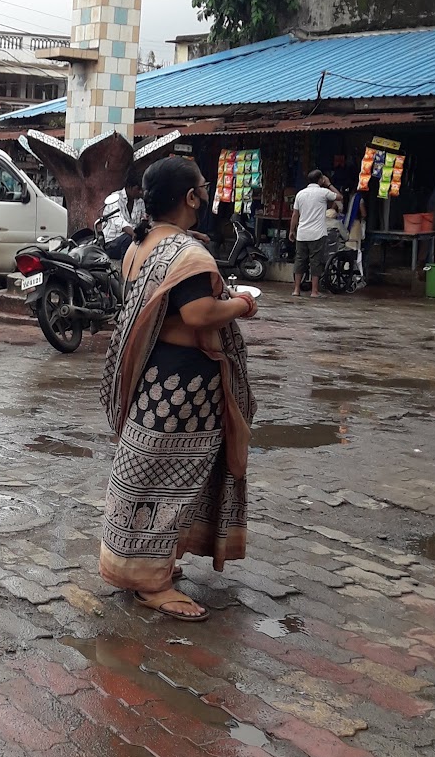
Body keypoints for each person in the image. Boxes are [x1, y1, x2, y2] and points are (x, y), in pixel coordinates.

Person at [99, 156, 258, 621]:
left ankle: (147, 563)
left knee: (147, 476)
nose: (207, 195)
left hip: (153, 377)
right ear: (191, 197)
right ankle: (152, 582)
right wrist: (243, 305)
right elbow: (199, 315)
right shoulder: (188, 255)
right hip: (184, 386)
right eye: (203, 188)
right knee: (171, 481)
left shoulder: (139, 246)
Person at [289, 169, 343, 298]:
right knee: (315, 262)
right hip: (317, 234)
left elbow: (295, 214)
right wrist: (329, 184)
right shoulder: (323, 192)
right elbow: (340, 197)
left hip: (302, 233)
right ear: (320, 180)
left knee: (300, 260)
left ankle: (296, 290)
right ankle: (314, 291)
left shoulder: (300, 194)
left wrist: (292, 230)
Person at [102, 176, 146, 262]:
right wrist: (133, 233)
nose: (140, 192)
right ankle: (125, 271)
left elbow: (142, 220)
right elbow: (119, 221)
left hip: (132, 238)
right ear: (129, 187)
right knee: (128, 239)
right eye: (138, 189)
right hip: (112, 243)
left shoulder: (140, 202)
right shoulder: (115, 198)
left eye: (141, 189)